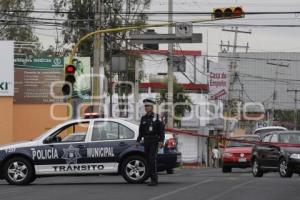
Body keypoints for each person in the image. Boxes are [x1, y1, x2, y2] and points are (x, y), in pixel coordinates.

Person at [136, 98, 165, 186]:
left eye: (148, 106)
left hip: (154, 141)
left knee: (152, 160)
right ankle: (150, 178)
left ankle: (154, 180)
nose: (146, 108)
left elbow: (161, 130)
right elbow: (141, 131)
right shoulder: (143, 118)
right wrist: (138, 140)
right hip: (146, 141)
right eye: (145, 106)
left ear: (152, 107)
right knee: (148, 160)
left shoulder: (157, 117)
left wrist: (161, 141)